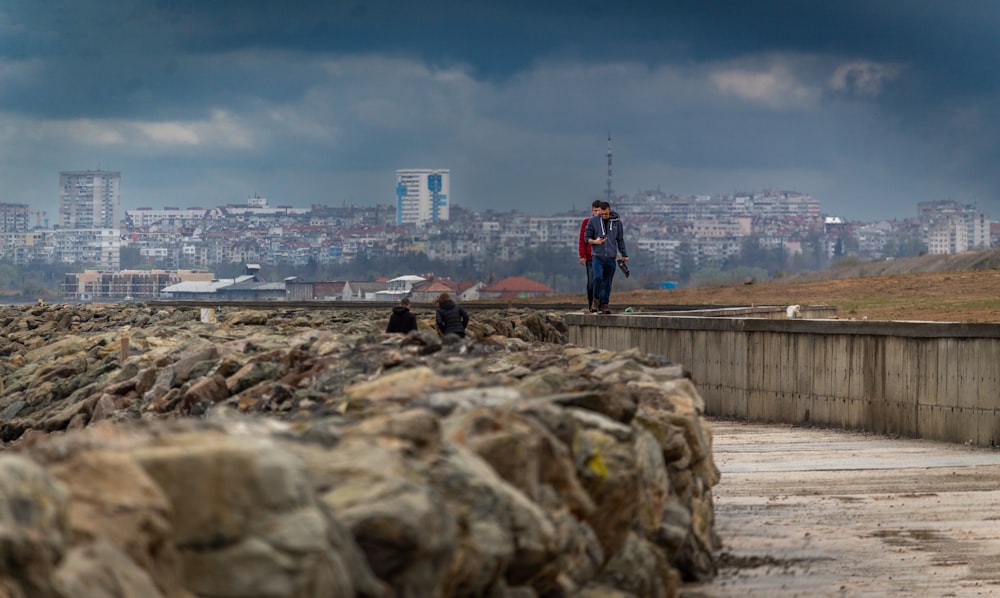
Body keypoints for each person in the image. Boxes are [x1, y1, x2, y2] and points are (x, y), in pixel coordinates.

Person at [584, 200, 629, 314]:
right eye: (602, 214)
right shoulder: (593, 221)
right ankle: (596, 300)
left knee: (608, 282)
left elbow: (620, 239)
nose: (604, 216)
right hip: (598, 257)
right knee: (597, 277)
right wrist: (595, 241)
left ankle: (605, 304)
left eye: (606, 214)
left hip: (610, 257)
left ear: (609, 210)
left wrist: (624, 254)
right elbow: (586, 238)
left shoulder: (617, 222)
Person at [578, 199, 603, 312]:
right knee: (591, 283)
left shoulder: (605, 223)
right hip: (590, 257)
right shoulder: (586, 222)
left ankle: (601, 305)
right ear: (592, 211)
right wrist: (582, 255)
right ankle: (591, 304)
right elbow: (582, 240)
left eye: (599, 211)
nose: (597, 213)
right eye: (595, 211)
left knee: (602, 282)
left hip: (603, 257)